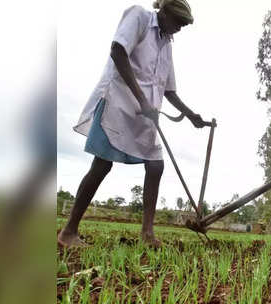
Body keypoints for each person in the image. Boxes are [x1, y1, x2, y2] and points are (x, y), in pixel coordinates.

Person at [58, 0, 205, 248]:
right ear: (166, 12)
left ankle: (147, 234)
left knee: (156, 165)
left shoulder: (166, 45)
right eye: (178, 22)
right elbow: (118, 51)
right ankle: (68, 232)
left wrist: (191, 115)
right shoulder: (140, 17)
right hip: (117, 105)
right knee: (102, 165)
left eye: (183, 25)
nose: (179, 29)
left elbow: (169, 91)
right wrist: (142, 100)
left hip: (144, 116)